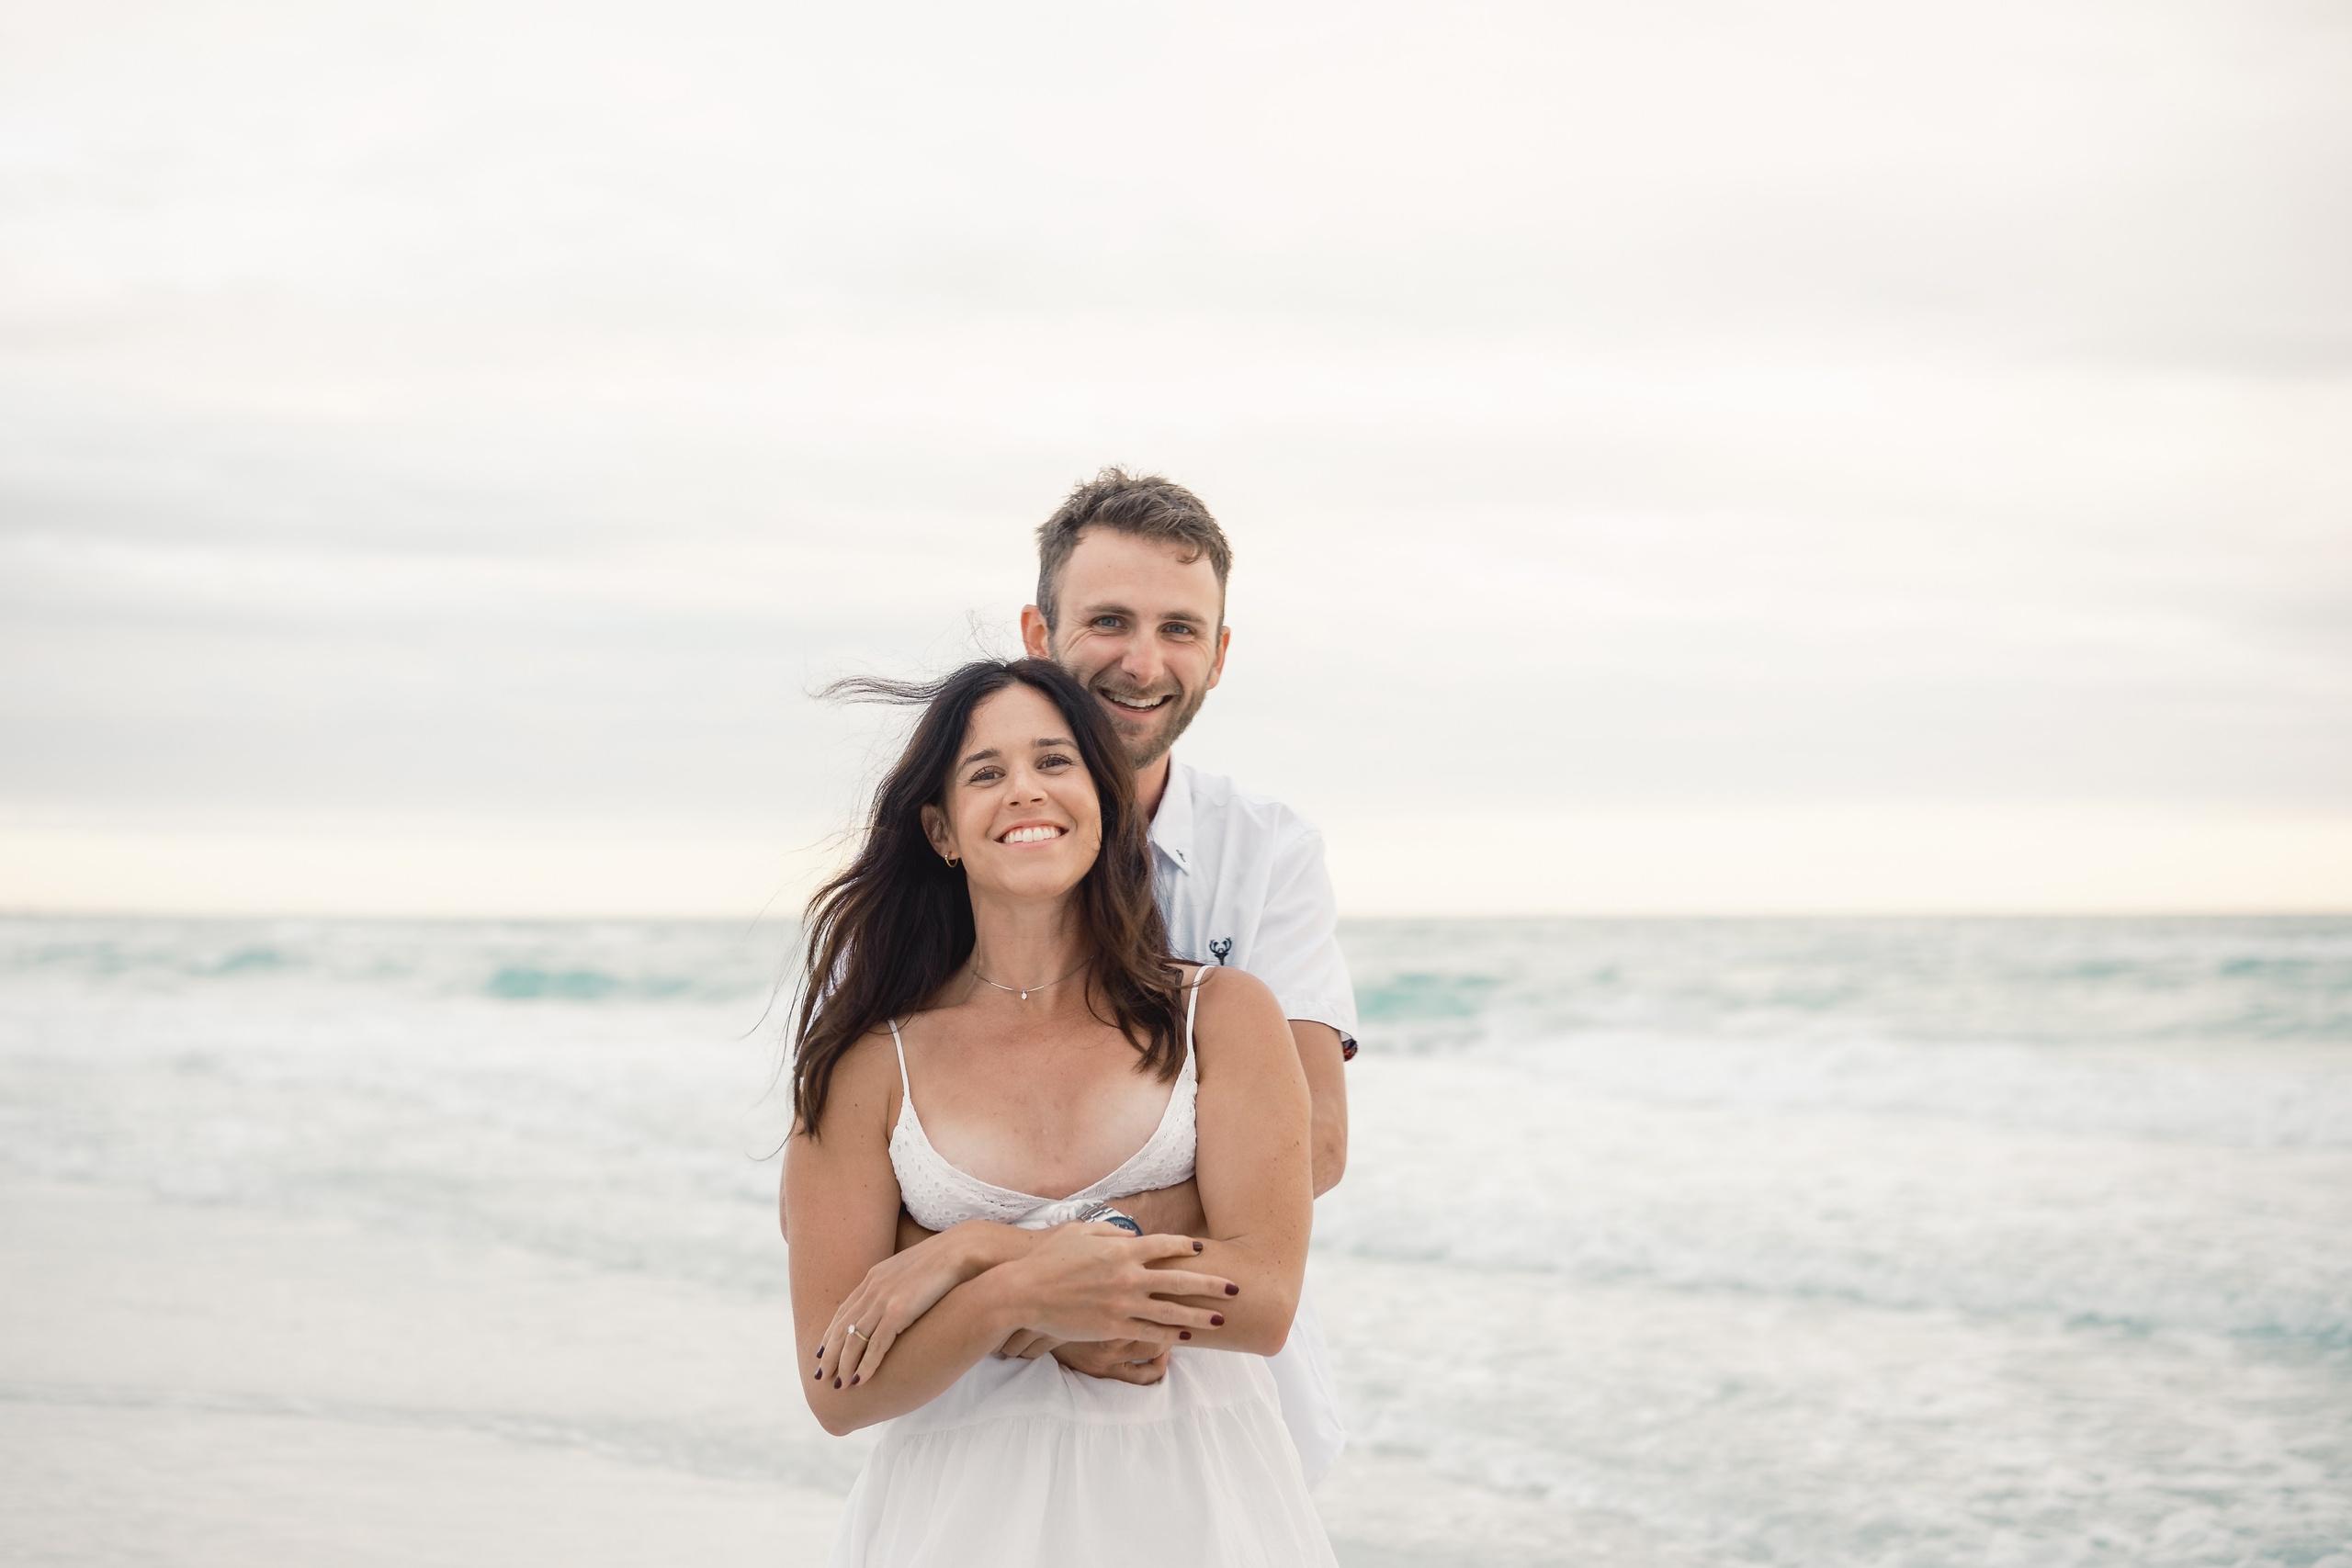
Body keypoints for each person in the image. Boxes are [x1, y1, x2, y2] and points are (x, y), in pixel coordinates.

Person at [785, 658, 1338, 1567]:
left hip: (1205, 1516)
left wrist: (976, 1250)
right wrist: (1021, 1295)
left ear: (1104, 802)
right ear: (942, 830)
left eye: (1054, 762)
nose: (1024, 791)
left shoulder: (1222, 1016)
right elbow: (836, 1386)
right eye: (986, 773)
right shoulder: (866, 1064)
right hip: (958, 1526)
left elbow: (1264, 1300)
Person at [1017, 468, 1355, 1482]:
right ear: (1039, 635)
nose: (1142, 660)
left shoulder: (1269, 854)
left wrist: (1081, 1264)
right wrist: (1028, 1303)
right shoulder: (931, 851)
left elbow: (1320, 1142)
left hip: (1215, 1385)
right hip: (981, 1388)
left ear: (1217, 654)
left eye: (1179, 628)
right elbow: (852, 1167)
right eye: (1109, 620)